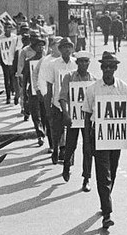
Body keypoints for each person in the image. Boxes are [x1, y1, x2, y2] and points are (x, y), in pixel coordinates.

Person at [82, 52, 127, 230]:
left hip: (115, 137)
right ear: (101, 68)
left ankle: (105, 200)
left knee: (111, 172)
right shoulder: (92, 89)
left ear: (115, 68)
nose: (107, 70)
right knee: (102, 173)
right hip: (98, 136)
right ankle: (107, 213)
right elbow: (87, 116)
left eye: (110, 66)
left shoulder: (123, 88)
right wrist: (87, 143)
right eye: (104, 66)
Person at [60, 51, 95, 192]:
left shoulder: (93, 80)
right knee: (70, 145)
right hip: (74, 118)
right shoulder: (69, 77)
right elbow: (63, 97)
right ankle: (66, 164)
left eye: (86, 61)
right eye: (80, 61)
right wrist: (66, 114)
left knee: (88, 149)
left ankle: (86, 178)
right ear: (77, 63)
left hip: (87, 120)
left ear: (89, 63)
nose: (83, 64)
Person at [40, 37, 77, 165]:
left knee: (72, 131)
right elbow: (49, 85)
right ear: (59, 49)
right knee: (57, 130)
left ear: (72, 48)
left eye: (69, 46)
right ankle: (56, 148)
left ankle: (69, 155)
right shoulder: (53, 64)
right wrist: (48, 105)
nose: (67, 49)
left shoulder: (76, 63)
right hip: (57, 102)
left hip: (73, 104)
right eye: (64, 47)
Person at [0, 21, 20, 104]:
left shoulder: (15, 37)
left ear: (11, 28)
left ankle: (13, 90)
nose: (7, 29)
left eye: (9, 27)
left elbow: (17, 50)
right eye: (5, 28)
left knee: (13, 77)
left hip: (12, 60)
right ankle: (8, 97)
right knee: (6, 78)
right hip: (4, 60)